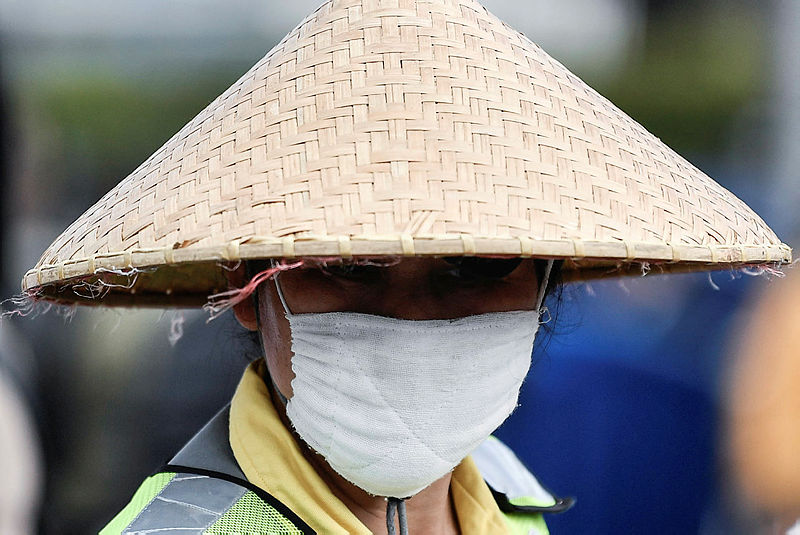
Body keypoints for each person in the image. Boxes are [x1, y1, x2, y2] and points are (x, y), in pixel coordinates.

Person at [19, 0, 790, 533]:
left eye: (470, 269)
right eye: (351, 267)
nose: (413, 317)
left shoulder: (509, 493)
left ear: (546, 283)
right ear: (253, 289)